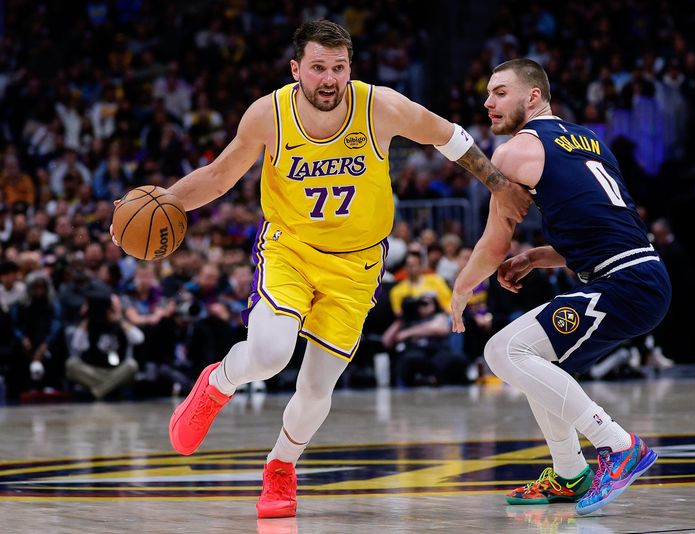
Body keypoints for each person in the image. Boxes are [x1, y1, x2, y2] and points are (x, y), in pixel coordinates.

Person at [111, 20, 531, 519]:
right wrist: (161, 202)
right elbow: (220, 176)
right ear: (296, 70)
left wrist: (498, 183)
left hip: (357, 265)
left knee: (315, 389)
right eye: (317, 68)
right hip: (291, 250)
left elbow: (448, 136)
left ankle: (281, 466)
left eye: (338, 67)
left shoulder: (380, 107)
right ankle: (218, 382)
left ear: (350, 68)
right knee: (270, 353)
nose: (329, 79)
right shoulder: (268, 114)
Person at [450, 58, 672, 516]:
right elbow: (601, 228)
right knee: (536, 360)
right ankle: (570, 472)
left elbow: (494, 245)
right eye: (487, 93)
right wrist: (536, 257)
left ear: (533, 96)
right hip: (640, 273)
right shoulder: (590, 140)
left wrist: (461, 288)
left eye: (500, 92)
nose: (488, 102)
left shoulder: (515, 151)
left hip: (623, 282)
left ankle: (619, 445)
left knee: (502, 351)